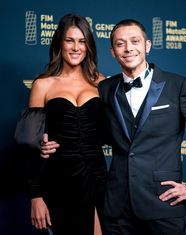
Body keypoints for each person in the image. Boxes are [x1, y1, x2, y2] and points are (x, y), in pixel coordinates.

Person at [41, 19, 186, 235]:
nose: (128, 48)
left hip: (163, 205)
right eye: (120, 44)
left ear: (147, 46)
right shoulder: (105, 88)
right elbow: (91, 134)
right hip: (116, 209)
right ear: (112, 51)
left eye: (135, 41)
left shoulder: (177, 85)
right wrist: (46, 143)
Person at [15, 13, 107, 235]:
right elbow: (29, 146)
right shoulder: (43, 84)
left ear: (88, 46)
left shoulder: (101, 82)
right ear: (59, 43)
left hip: (96, 177)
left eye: (82, 41)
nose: (76, 47)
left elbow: (112, 131)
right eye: (70, 40)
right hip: (58, 180)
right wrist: (36, 196)